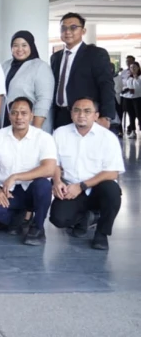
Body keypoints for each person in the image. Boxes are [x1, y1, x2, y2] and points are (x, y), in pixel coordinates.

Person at [50, 98, 124, 250]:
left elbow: (112, 172)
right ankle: (86, 218)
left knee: (112, 190)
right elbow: (54, 163)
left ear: (96, 116)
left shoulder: (108, 137)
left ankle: (102, 233)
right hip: (71, 189)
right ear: (71, 114)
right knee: (58, 219)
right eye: (77, 110)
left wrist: (82, 186)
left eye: (87, 111)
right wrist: (57, 181)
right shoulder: (60, 133)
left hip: (98, 189)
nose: (81, 115)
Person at [0, 97, 57, 246]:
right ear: (9, 115)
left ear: (31, 116)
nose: (19, 117)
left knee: (43, 184)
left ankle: (38, 227)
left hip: (32, 190)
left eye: (24, 113)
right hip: (8, 191)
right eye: (14, 113)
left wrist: (16, 176)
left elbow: (50, 169)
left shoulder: (44, 138)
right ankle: (21, 217)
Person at [51, 12, 115, 129]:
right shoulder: (56, 57)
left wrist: (106, 116)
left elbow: (106, 85)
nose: (67, 31)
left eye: (73, 27)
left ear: (83, 31)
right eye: (63, 28)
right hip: (60, 116)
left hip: (85, 116)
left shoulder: (96, 54)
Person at [1, 31, 55, 133]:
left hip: (31, 124)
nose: (19, 49)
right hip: (8, 120)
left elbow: (44, 100)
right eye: (15, 45)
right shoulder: (5, 65)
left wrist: (35, 129)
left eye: (24, 45)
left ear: (31, 46)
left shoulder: (41, 67)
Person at [121, 62, 141, 139]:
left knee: (139, 115)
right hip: (129, 98)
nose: (133, 69)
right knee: (131, 115)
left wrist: (136, 78)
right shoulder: (129, 77)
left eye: (134, 67)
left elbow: (138, 87)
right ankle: (133, 131)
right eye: (131, 67)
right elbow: (126, 86)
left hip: (138, 98)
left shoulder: (139, 77)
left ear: (138, 68)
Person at [120, 55, 135, 136]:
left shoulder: (137, 72)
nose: (128, 63)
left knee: (133, 113)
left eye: (129, 61)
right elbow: (121, 83)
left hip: (134, 96)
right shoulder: (123, 72)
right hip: (124, 95)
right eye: (127, 61)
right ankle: (121, 129)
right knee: (123, 111)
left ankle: (131, 128)